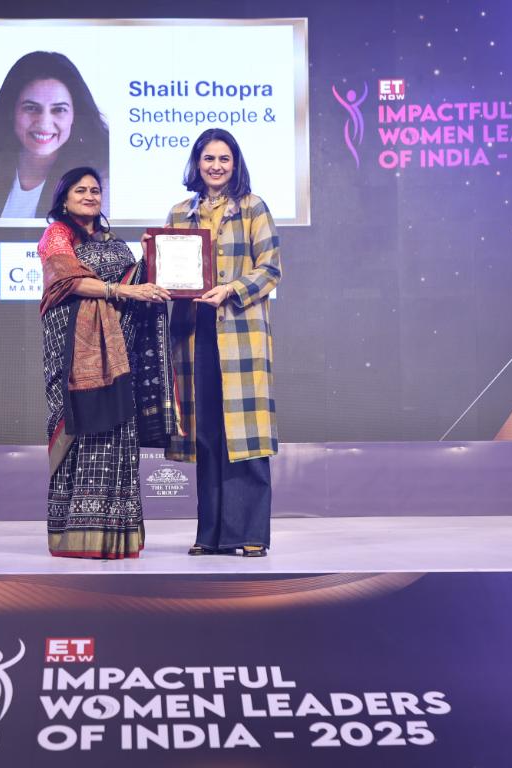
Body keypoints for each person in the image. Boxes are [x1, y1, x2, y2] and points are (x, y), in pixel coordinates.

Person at [159, 128, 281, 557]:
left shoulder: (253, 207)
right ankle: (209, 535)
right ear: (197, 163)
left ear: (235, 163)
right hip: (194, 335)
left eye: (224, 159)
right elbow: (167, 273)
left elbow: (271, 269)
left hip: (240, 336)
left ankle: (249, 535)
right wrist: (153, 258)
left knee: (245, 435)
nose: (216, 166)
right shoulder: (180, 213)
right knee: (207, 434)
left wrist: (230, 289)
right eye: (208, 158)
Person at [39, 166, 171, 559]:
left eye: (95, 190)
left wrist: (150, 255)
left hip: (119, 351)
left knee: (118, 430)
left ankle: (115, 534)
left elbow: (137, 287)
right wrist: (121, 290)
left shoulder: (114, 243)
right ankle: (74, 534)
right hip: (73, 351)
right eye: (80, 190)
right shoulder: (57, 235)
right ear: (64, 199)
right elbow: (68, 282)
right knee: (83, 427)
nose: (89, 196)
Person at [0, 52, 109, 219]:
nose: (44, 123)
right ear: (11, 111)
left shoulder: (101, 180)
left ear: (75, 116)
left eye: (59, 110)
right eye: (31, 108)